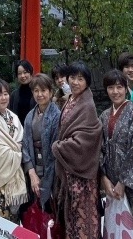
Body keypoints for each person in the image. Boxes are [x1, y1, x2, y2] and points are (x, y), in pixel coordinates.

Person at [99, 70, 133, 238]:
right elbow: (98, 149)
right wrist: (103, 178)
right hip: (110, 184)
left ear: (125, 89)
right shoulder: (103, 116)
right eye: (110, 87)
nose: (115, 92)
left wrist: (123, 183)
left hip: (130, 187)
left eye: (119, 87)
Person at [51, 61, 102, 239]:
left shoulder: (87, 105)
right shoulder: (71, 99)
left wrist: (59, 147)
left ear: (87, 82)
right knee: (71, 219)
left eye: (80, 79)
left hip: (81, 174)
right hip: (69, 170)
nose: (75, 82)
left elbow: (86, 140)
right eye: (72, 77)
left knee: (83, 221)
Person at [0, 79, 28, 220]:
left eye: (6, 94)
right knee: (1, 223)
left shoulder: (13, 116)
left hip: (14, 175)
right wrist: (18, 151)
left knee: (15, 220)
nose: (3, 98)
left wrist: (16, 149)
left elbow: (21, 140)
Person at [22, 73, 60, 210]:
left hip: (52, 170)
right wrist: (31, 173)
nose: (40, 94)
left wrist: (45, 181)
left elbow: (55, 149)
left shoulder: (57, 116)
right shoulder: (29, 116)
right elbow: (25, 145)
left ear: (50, 92)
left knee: (51, 209)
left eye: (43, 90)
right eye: (36, 91)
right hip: (34, 167)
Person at [9, 60, 35, 125]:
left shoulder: (37, 93)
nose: (22, 76)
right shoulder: (14, 95)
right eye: (19, 73)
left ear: (31, 73)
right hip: (18, 131)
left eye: (25, 72)